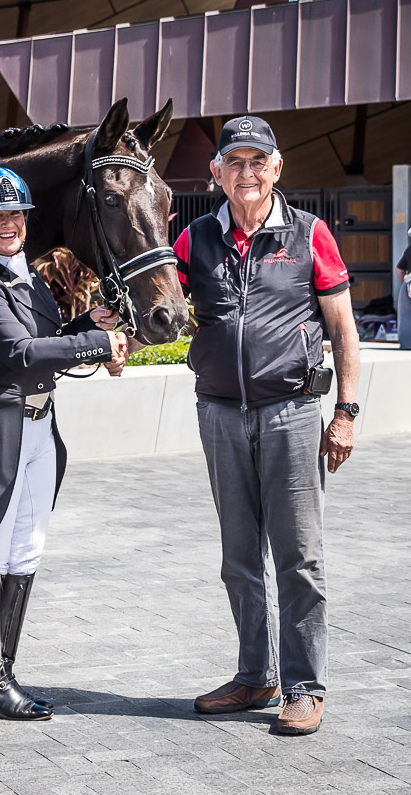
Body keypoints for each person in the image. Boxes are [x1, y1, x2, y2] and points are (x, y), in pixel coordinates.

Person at [174, 116, 360, 735]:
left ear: (277, 169)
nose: (246, 173)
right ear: (217, 173)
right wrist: (110, 327)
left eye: (258, 162)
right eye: (235, 162)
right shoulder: (195, 238)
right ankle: (256, 675)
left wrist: (345, 414)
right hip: (220, 414)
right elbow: (160, 306)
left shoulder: (309, 234)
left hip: (294, 414)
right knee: (238, 557)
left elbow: (344, 330)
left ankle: (304, 687)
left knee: (299, 557)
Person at [0, 167, 128, 721]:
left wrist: (87, 323)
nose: (9, 224)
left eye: (16, 215)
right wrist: (99, 343)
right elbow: (22, 354)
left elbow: (48, 340)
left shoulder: (28, 281)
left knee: (24, 550)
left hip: (39, 428)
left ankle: (3, 675)